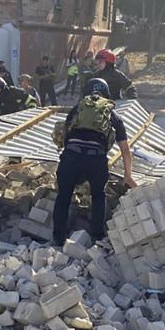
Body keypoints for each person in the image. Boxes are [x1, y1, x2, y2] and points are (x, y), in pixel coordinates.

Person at [52, 78, 137, 245]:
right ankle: (97, 238)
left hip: (71, 157)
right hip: (96, 160)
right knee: (98, 195)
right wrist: (128, 175)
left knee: (64, 196)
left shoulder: (78, 108)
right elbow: (125, 150)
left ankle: (59, 238)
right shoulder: (112, 114)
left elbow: (64, 136)